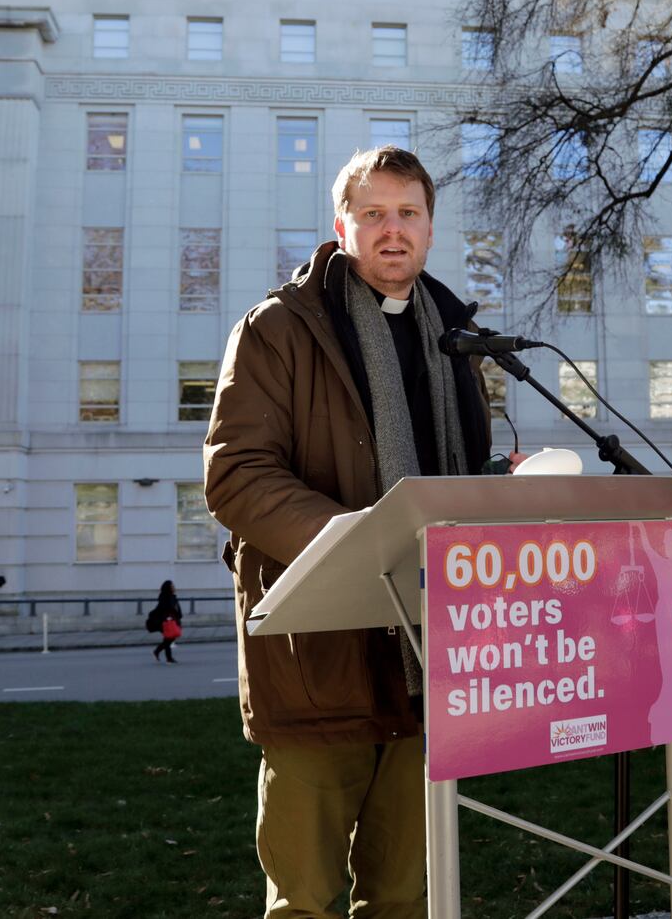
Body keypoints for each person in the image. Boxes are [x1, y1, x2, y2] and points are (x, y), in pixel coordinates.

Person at [204, 145, 491, 918]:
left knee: (403, 897)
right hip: (318, 663)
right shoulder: (279, 328)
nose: (391, 229)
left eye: (407, 213)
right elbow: (235, 475)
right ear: (343, 225)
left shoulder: (455, 337)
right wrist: (361, 538)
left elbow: (447, 482)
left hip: (428, 663)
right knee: (304, 901)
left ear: (430, 228)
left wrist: (506, 484)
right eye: (373, 214)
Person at [149, 580, 182, 663]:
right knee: (169, 638)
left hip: (172, 620)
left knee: (169, 639)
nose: (174, 587)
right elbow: (165, 609)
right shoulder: (165, 597)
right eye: (172, 586)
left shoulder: (171, 596)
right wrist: (168, 618)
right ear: (169, 588)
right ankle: (169, 658)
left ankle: (157, 652)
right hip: (167, 621)